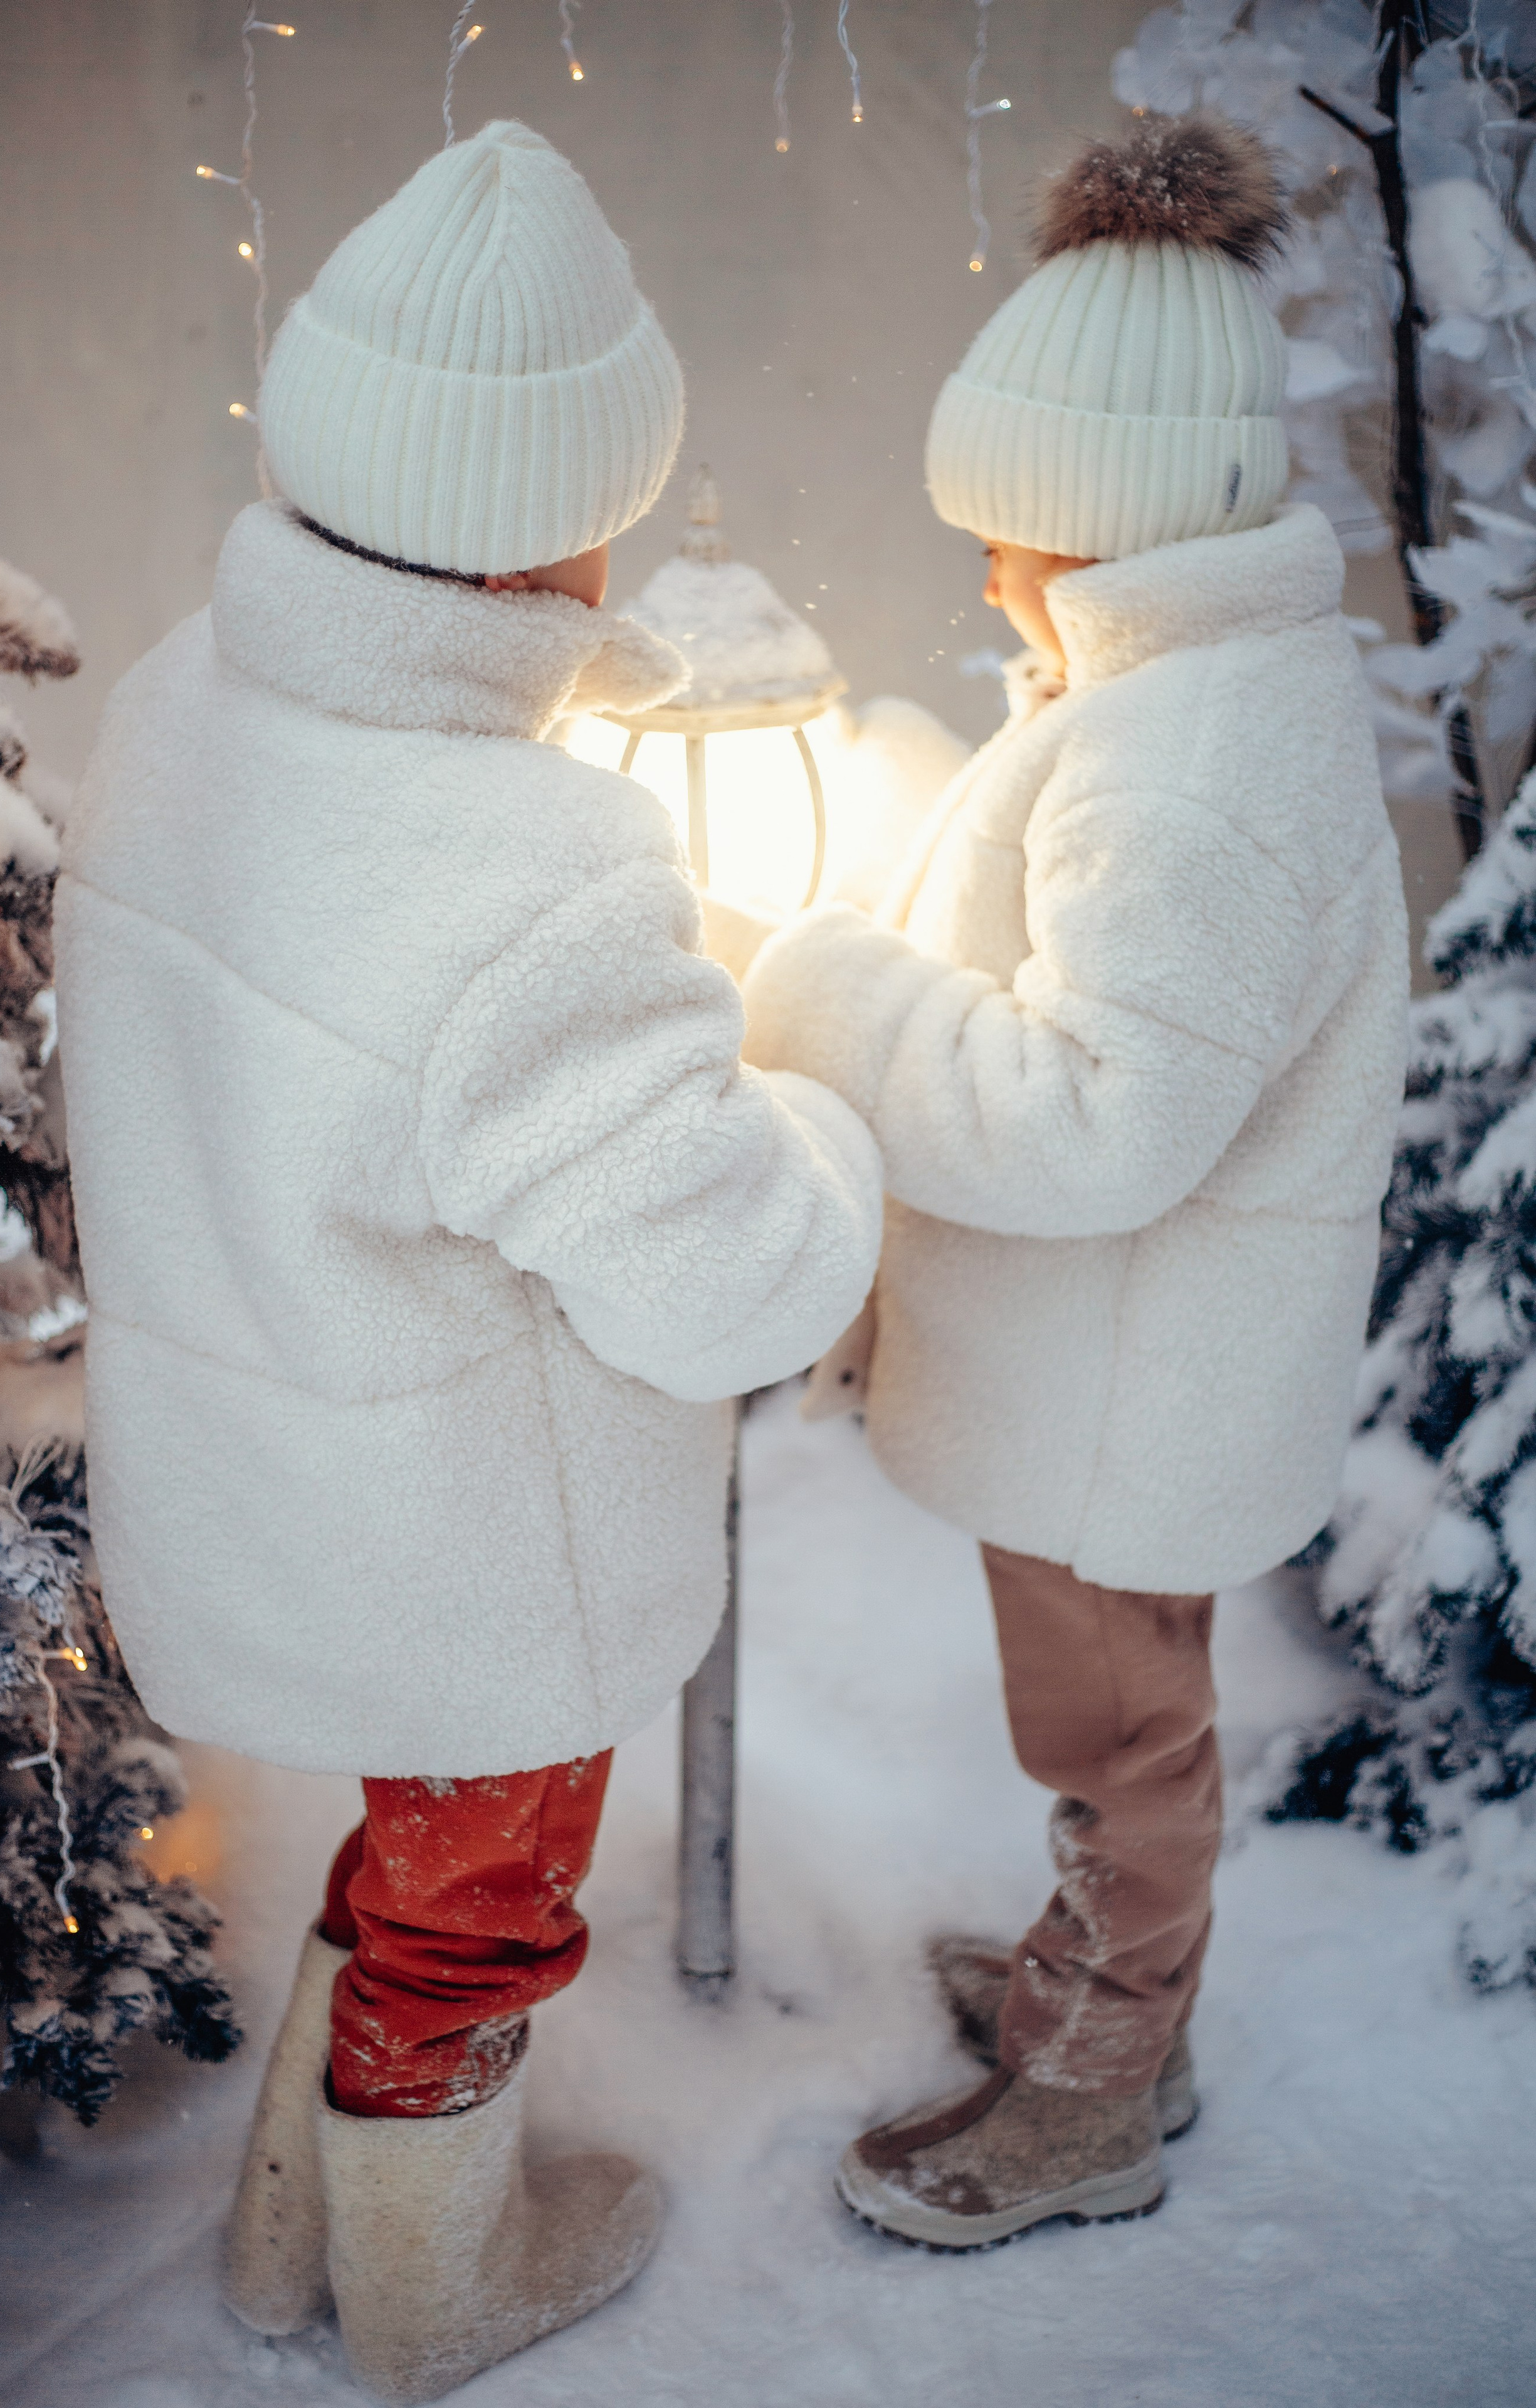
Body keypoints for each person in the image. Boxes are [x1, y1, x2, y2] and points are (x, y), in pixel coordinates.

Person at [53, 121, 881, 2398]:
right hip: (473, 1543)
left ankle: (288, 2230)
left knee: (410, 1856)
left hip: (271, 1482)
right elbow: (731, 1283)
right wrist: (809, 1111)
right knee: (478, 1897)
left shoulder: (176, 708)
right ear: (565, 527)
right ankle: (434, 2292)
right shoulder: (530, 871)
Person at [726, 113, 1411, 2251]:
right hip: (1132, 1363)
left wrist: (832, 990)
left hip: (1132, 1381)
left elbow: (1099, 1118)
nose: (986, 575)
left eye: (1008, 538)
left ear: (1105, 527)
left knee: (1120, 1736)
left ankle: (1099, 2087)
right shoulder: (1172, 690)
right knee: (1119, 1723)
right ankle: (1108, 1997)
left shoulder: (1190, 766)